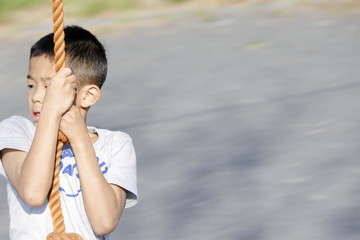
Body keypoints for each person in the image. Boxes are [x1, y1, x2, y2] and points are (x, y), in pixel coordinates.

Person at [0, 25, 138, 239]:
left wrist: (80, 139)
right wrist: (51, 113)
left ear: (88, 95)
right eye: (30, 86)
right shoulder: (16, 132)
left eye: (49, 87)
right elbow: (33, 193)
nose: (36, 96)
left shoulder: (116, 144)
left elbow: (104, 222)